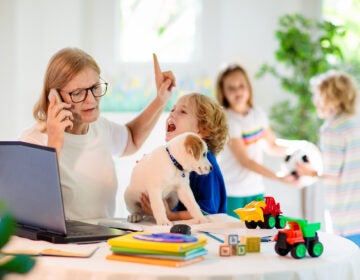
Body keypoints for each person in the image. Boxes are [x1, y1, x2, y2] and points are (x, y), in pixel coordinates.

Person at [19, 47, 175, 220]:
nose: (91, 100)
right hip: (62, 245)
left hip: (104, 241)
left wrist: (161, 99)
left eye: (95, 87)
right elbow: (29, 208)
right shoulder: (32, 141)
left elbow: (131, 138)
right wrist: (55, 143)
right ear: (54, 96)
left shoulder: (100, 128)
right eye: (77, 93)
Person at [215, 64, 295, 218]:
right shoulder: (228, 120)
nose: (237, 91)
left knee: (259, 237)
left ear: (248, 87)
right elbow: (245, 161)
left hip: (256, 190)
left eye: (241, 85)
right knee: (234, 238)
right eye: (231, 88)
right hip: (232, 193)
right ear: (223, 92)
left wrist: (300, 147)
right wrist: (278, 177)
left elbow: (272, 146)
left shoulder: (258, 114)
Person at [140, 93, 229, 221]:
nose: (172, 114)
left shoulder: (206, 166)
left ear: (202, 130)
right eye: (172, 109)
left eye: (182, 111)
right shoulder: (175, 162)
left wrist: (170, 216)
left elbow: (209, 212)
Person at [296, 70, 360, 242]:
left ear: (331, 98)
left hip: (345, 218)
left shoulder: (332, 130)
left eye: (318, 95)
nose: (314, 100)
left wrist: (311, 172)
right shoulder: (354, 124)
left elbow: (332, 173)